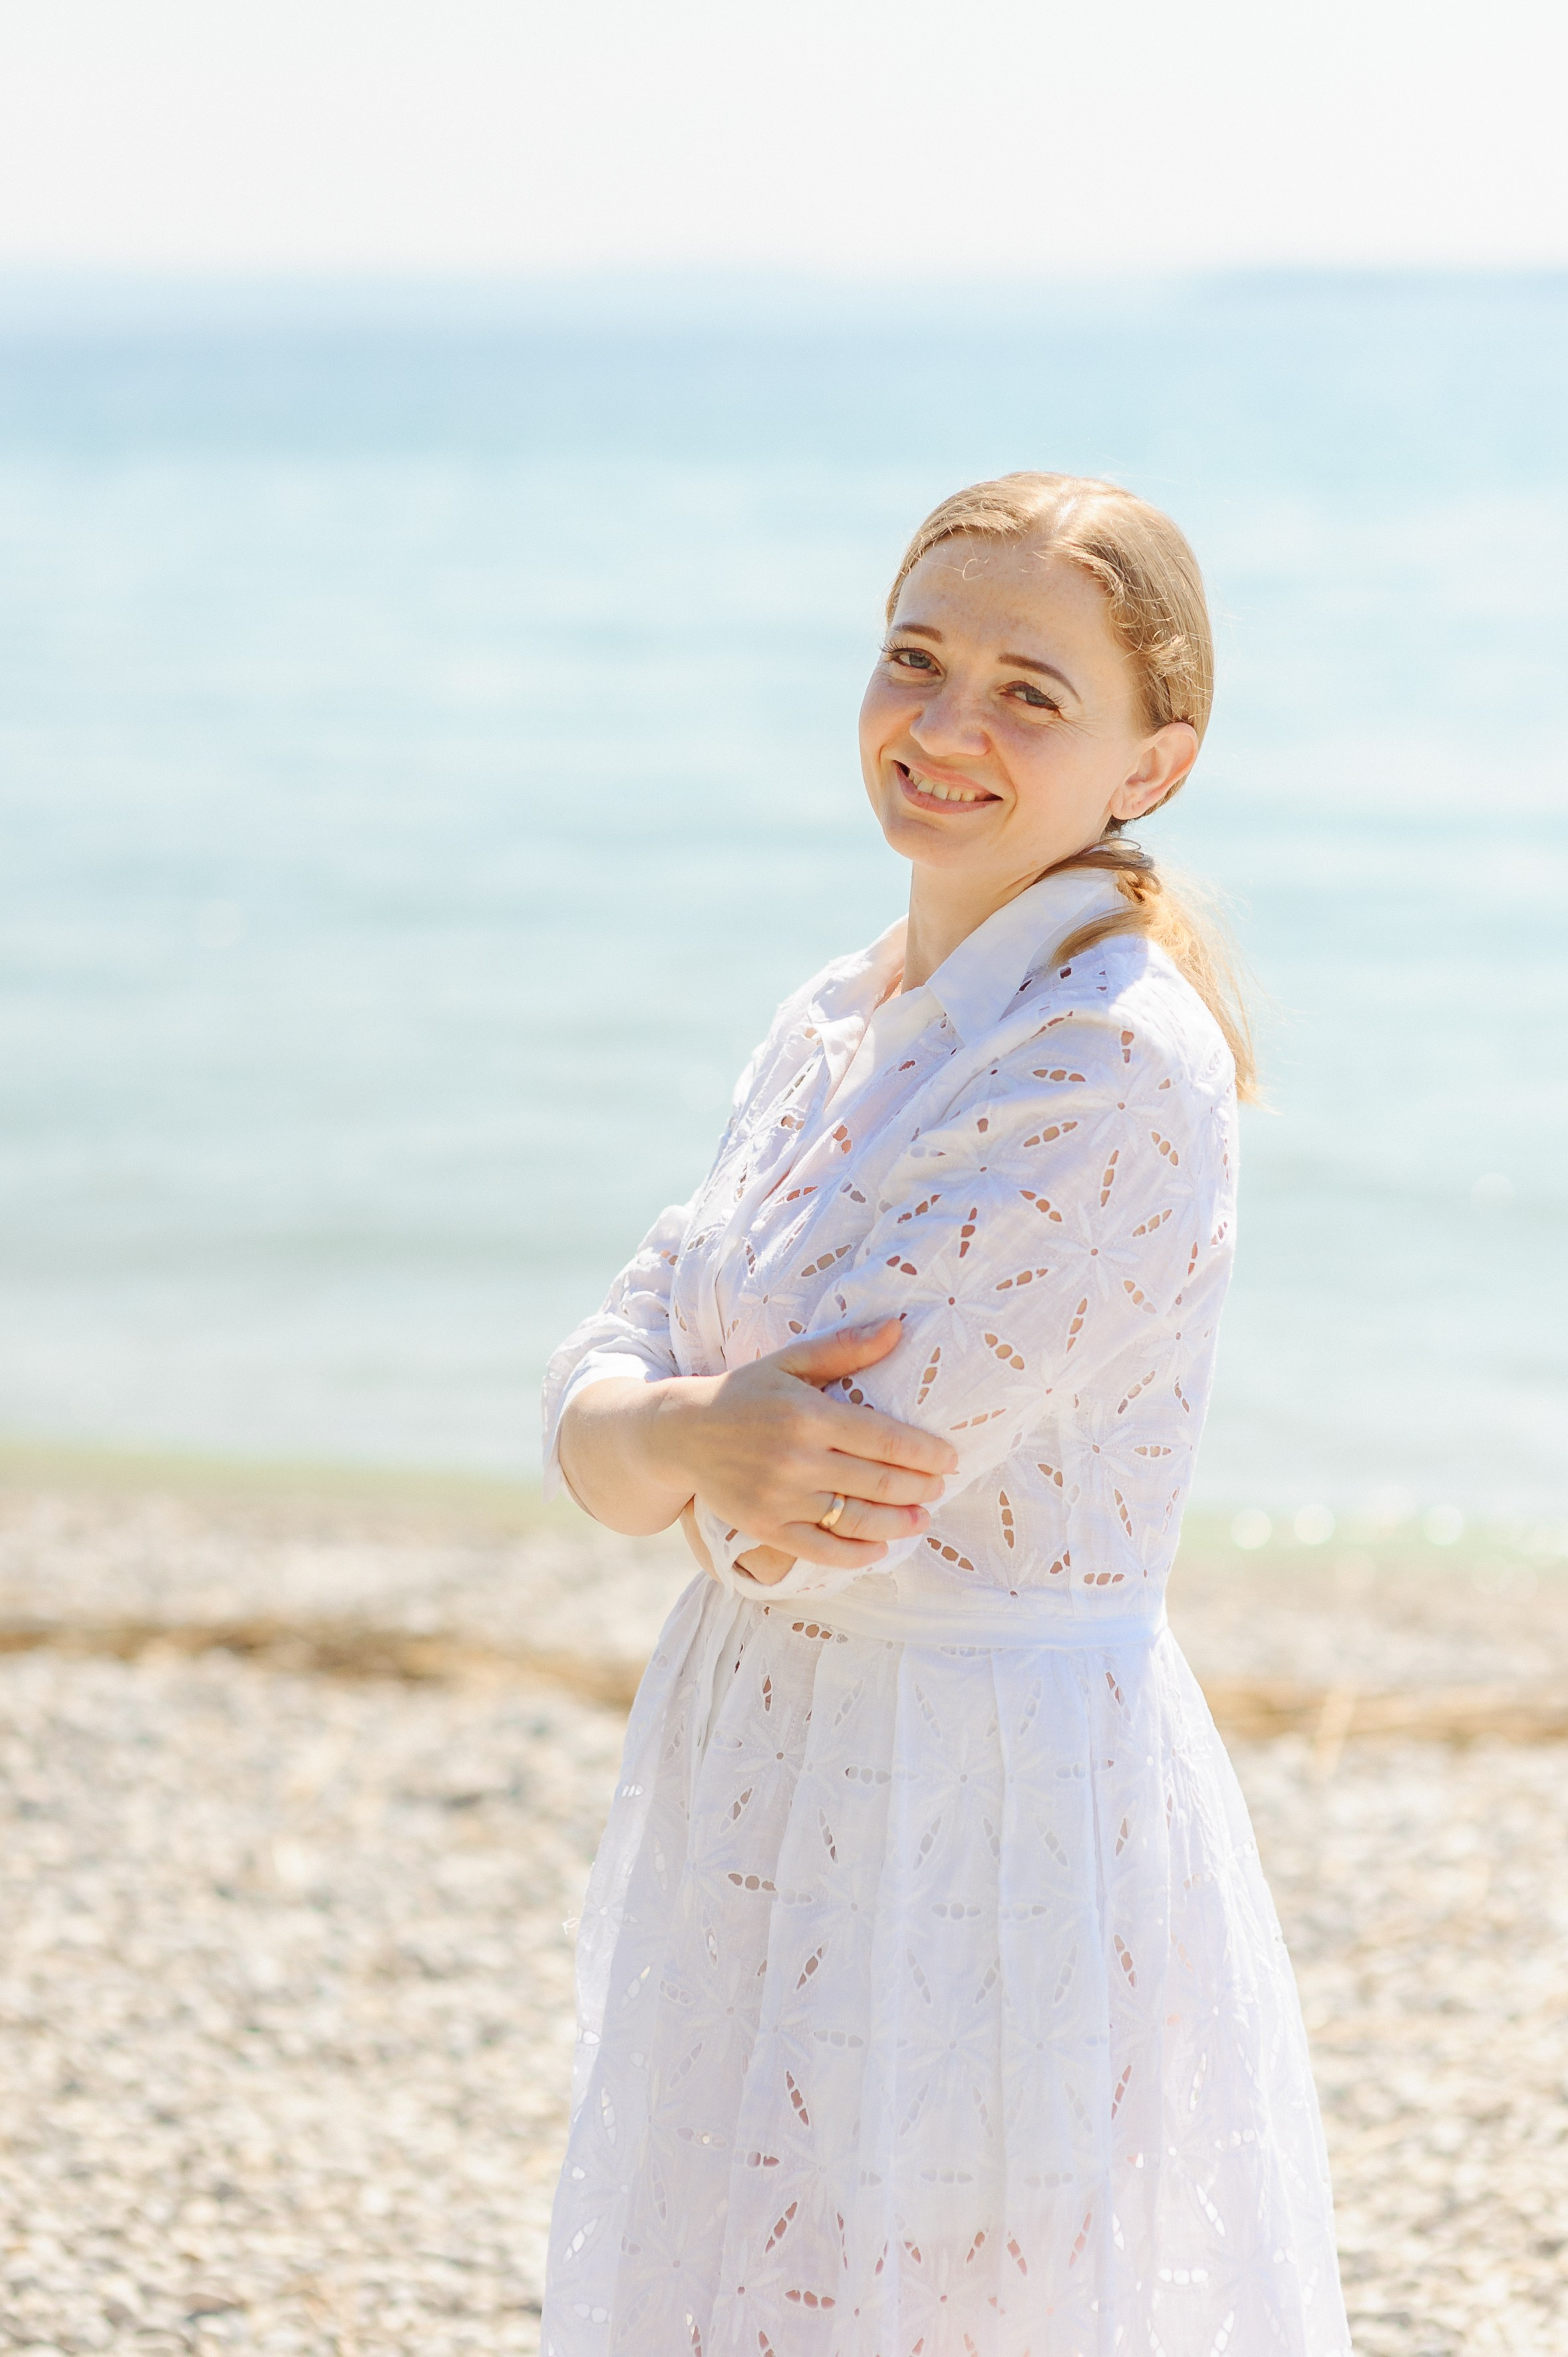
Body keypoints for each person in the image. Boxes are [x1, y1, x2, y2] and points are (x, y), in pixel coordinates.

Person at [539, 473, 1350, 2356]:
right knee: (729, 2272)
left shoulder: (1115, 1063)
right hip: (764, 1743)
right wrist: (668, 1430)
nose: (946, 726)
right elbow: (613, 1386)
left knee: (953, 2299)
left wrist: (663, 1434)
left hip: (977, 1781)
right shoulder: (834, 1015)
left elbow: (802, 1502)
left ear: (1157, 759)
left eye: (1028, 692)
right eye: (916, 662)